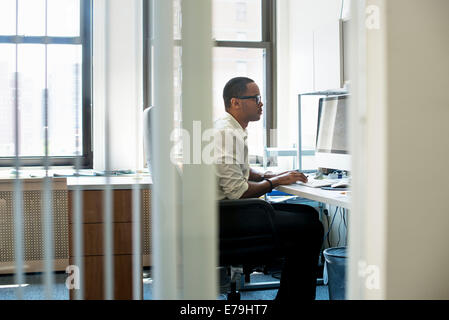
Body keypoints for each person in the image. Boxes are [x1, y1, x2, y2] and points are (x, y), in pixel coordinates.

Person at [214, 77, 324, 303]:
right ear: (235, 102)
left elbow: (239, 171)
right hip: (228, 216)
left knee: (309, 215)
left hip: (226, 211)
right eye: (255, 98)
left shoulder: (228, 129)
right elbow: (238, 192)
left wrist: (266, 175)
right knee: (310, 228)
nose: (260, 103)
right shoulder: (227, 133)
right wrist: (275, 182)